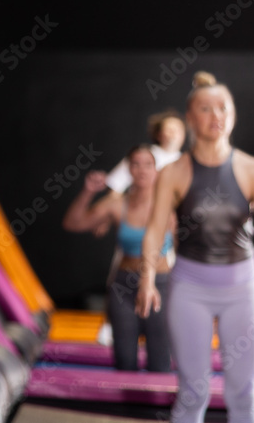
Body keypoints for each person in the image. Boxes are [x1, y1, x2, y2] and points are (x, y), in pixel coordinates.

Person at [136, 72, 254, 423]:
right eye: (206, 109)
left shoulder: (252, 170)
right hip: (189, 287)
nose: (216, 116)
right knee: (193, 392)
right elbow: (154, 232)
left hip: (241, 288)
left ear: (233, 115)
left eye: (223, 108)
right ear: (190, 119)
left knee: (243, 394)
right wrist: (147, 278)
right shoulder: (174, 173)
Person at [63, 145, 173, 371]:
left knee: (160, 360)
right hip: (124, 285)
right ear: (128, 170)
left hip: (161, 284)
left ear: (157, 171)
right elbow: (73, 223)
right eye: (136, 164)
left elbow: (189, 250)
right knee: (124, 359)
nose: (142, 170)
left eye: (148, 165)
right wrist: (89, 191)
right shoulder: (116, 204)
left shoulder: (171, 206)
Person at [104, 109, 186, 194]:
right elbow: (115, 185)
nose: (174, 133)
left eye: (178, 129)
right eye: (169, 129)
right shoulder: (142, 155)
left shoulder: (187, 162)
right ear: (158, 134)